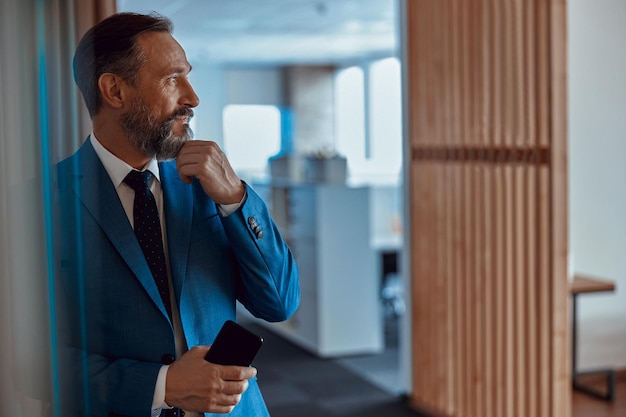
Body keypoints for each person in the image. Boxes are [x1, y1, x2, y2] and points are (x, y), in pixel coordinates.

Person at [53, 12, 300, 417]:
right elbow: (31, 364)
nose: (192, 97)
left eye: (187, 76)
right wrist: (163, 386)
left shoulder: (207, 186)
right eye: (172, 79)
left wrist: (235, 199)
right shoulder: (41, 204)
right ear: (114, 90)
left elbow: (280, 302)